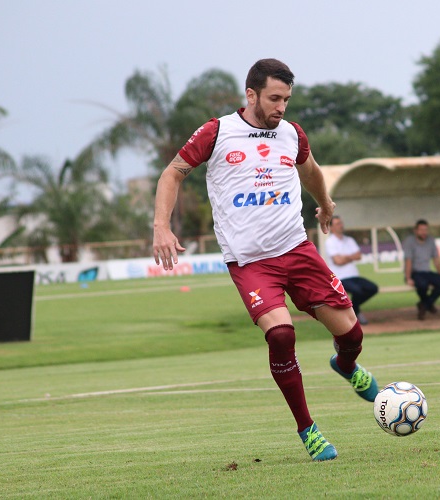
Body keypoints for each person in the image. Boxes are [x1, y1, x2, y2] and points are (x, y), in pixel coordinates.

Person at [152, 58, 377, 461]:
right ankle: (308, 429)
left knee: (352, 335)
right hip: (250, 262)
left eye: (287, 99)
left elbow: (310, 171)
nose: (281, 107)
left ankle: (346, 366)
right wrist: (161, 227)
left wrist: (324, 204)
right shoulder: (217, 132)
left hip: (297, 249)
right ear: (251, 94)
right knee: (281, 335)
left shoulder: (291, 134)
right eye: (274, 98)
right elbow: (172, 173)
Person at [325, 216, 379, 325]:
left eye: (341, 223)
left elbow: (358, 256)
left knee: (372, 288)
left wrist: (344, 257)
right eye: (337, 224)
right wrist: (350, 256)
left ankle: (353, 310)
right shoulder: (330, 242)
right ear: (332, 227)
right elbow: (337, 261)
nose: (341, 225)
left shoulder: (349, 240)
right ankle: (356, 313)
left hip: (353, 274)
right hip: (340, 277)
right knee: (357, 291)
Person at [403, 219, 440, 320]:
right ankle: (428, 305)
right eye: (421, 230)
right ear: (415, 231)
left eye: (426, 230)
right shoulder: (409, 241)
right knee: (422, 285)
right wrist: (408, 277)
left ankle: (424, 304)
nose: (424, 232)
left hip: (426, 272)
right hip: (414, 272)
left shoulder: (431, 240)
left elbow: (436, 258)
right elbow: (408, 260)